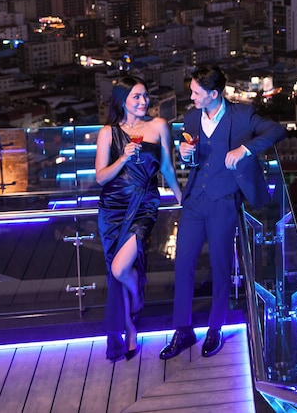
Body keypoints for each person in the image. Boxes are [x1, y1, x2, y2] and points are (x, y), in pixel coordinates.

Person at [160, 65, 286, 360]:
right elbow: (192, 158)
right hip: (194, 200)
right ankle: (183, 329)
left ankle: (215, 328)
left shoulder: (242, 115)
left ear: (214, 94)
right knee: (183, 265)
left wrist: (245, 150)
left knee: (220, 266)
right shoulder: (192, 118)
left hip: (225, 200)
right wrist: (185, 154)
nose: (191, 97)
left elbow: (277, 130)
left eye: (196, 92)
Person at [94, 75, 182, 362]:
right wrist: (122, 158)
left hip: (144, 203)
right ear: (122, 101)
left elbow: (167, 168)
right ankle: (129, 328)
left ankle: (137, 295)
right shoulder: (108, 133)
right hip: (112, 207)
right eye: (136, 96)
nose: (144, 101)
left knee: (120, 268)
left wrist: (182, 198)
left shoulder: (159, 126)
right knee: (115, 272)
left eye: (145, 95)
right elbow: (100, 177)